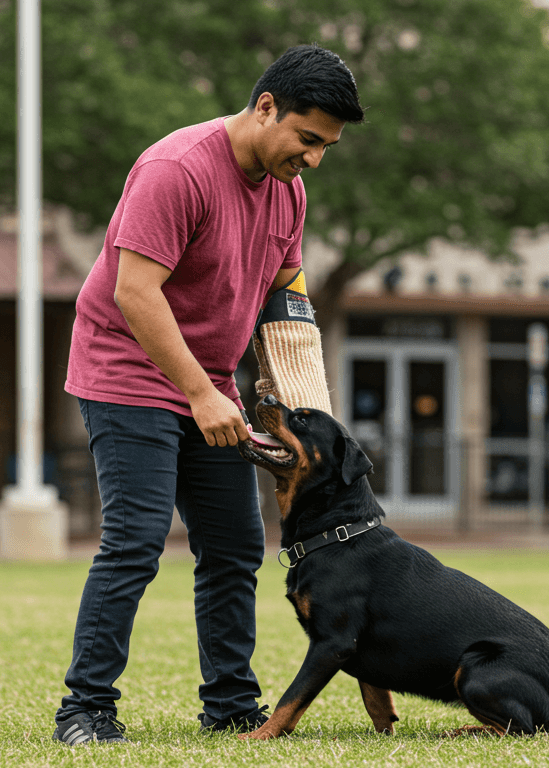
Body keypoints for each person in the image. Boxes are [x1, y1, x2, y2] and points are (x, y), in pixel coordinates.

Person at [52, 44, 364, 746]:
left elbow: (287, 299)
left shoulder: (289, 190)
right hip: (129, 371)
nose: (313, 158)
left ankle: (229, 705)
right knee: (135, 541)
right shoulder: (177, 168)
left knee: (233, 547)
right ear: (264, 108)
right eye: (306, 138)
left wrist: (312, 413)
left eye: (327, 147)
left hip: (211, 386)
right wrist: (198, 393)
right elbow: (135, 293)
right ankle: (85, 709)